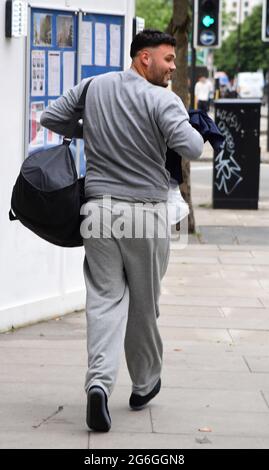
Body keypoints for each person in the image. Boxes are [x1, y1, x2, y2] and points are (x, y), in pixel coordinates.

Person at [40, 29, 203, 433]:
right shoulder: (163, 100)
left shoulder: (94, 87)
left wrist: (92, 129)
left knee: (103, 302)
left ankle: (98, 384)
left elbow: (50, 117)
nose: (172, 67)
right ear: (143, 58)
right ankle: (144, 384)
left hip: (96, 214)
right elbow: (194, 147)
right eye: (167, 59)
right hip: (144, 215)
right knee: (144, 306)